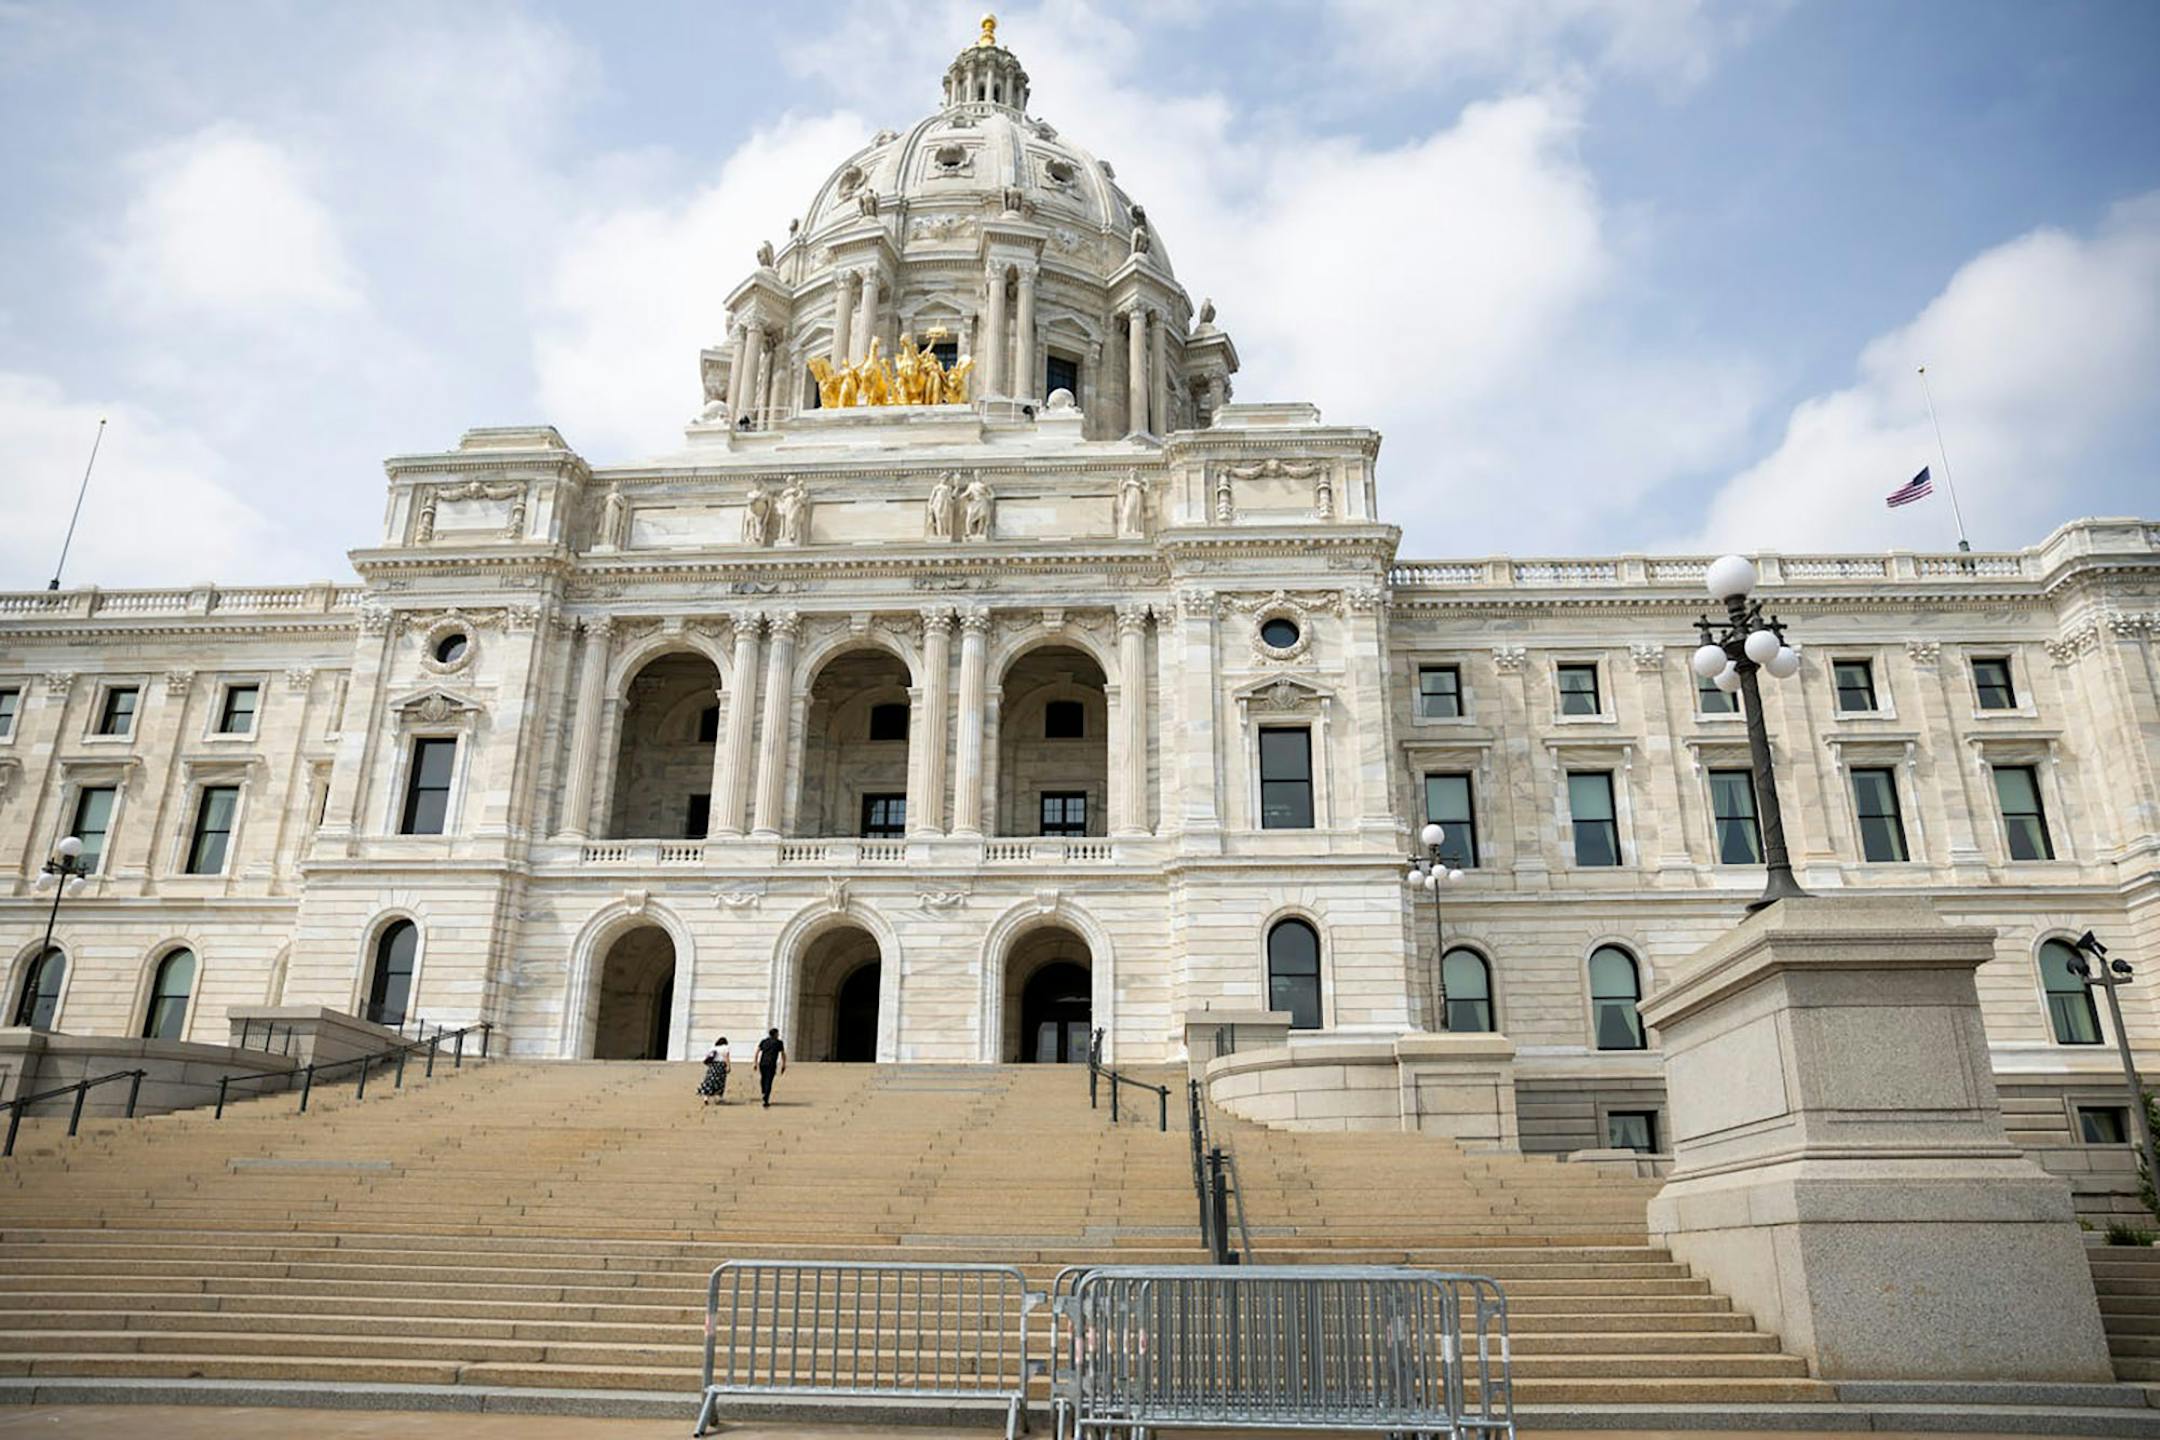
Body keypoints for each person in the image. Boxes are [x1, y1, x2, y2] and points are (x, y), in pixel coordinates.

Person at [755, 1027, 787, 1108]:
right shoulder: (779, 1043)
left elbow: (757, 1052)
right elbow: (783, 1054)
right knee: (769, 1081)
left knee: (763, 1078)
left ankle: (764, 1092)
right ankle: (766, 1097)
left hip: (762, 1063)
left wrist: (755, 1063)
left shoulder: (764, 1041)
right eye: (777, 1034)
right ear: (775, 1034)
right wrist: (784, 1064)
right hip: (771, 1064)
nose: (778, 1035)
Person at [698, 1037, 731, 1105]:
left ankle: (706, 1097)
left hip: (713, 1066)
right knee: (719, 1082)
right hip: (721, 1066)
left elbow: (708, 1057)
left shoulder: (713, 1048)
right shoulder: (725, 1048)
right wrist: (728, 1066)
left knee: (709, 1080)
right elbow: (726, 1058)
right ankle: (718, 1097)